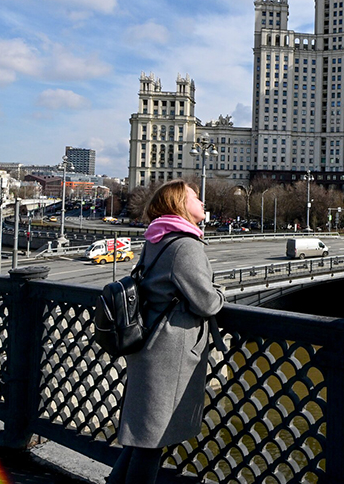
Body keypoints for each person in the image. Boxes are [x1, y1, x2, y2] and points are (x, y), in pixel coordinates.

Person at [108, 180, 225, 484]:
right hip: (168, 353)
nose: (202, 202)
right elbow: (206, 302)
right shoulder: (185, 245)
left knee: (142, 438)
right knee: (152, 441)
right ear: (180, 205)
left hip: (149, 344)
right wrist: (221, 293)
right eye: (195, 198)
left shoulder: (157, 238)